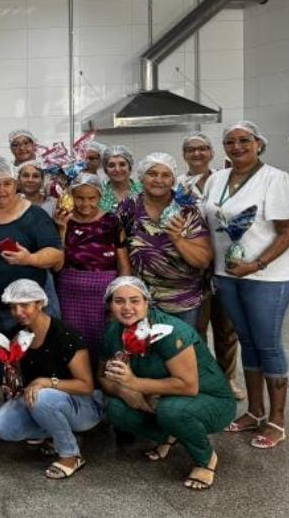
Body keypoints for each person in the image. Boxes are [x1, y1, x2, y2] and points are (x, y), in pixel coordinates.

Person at [201, 121, 289, 449]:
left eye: (244, 140)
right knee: (246, 340)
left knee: (268, 343)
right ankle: (255, 411)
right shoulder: (217, 179)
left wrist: (257, 264)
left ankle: (277, 420)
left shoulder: (276, 179)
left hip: (267, 276)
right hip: (227, 273)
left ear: (259, 143)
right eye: (229, 142)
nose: (237, 147)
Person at [99, 276, 235, 490]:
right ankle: (173, 434)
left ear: (146, 302)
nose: (127, 308)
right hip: (158, 397)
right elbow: (102, 376)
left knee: (171, 411)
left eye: (134, 300)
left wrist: (134, 383)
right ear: (110, 304)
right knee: (115, 409)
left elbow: (188, 386)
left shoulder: (171, 332)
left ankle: (205, 459)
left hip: (209, 399)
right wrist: (125, 392)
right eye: (119, 301)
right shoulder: (113, 332)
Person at [0, 279, 101, 479]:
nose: (18, 312)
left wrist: (47, 381)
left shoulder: (66, 335)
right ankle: (60, 434)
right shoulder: (19, 336)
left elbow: (86, 386)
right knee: (1, 425)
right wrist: (11, 376)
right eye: (13, 307)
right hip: (44, 402)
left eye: (25, 305)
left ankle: (71, 454)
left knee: (43, 397)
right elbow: (24, 384)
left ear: (40, 303)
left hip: (84, 406)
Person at [176, 132, 243, 400]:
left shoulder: (225, 181)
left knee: (227, 327)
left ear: (212, 152)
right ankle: (204, 377)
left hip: (225, 263)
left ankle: (228, 379)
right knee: (197, 328)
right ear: (184, 154)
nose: (197, 154)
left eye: (203, 149)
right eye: (191, 149)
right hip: (192, 267)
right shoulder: (177, 185)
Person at [0, 158, 63, 333]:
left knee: (32, 353)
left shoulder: (35, 216)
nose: (1, 190)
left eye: (7, 183)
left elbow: (56, 254)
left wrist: (29, 258)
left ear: (16, 183)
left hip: (27, 306)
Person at [118, 153, 213, 328]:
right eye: (152, 174)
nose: (158, 180)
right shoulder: (128, 208)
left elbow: (203, 260)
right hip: (140, 301)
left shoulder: (187, 211)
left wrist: (177, 238)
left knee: (182, 352)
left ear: (173, 180)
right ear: (141, 177)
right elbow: (120, 248)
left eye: (165, 175)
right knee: (143, 352)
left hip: (182, 302)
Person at [53, 173, 129, 358]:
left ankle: (102, 381)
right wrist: (61, 229)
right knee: (73, 340)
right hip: (70, 293)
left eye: (91, 198)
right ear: (71, 197)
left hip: (103, 292)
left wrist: (120, 295)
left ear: (100, 197)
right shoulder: (62, 221)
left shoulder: (112, 221)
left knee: (104, 339)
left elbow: (123, 263)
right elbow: (56, 265)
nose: (85, 203)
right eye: (79, 198)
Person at [99, 146, 142, 213]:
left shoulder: (143, 191)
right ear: (105, 170)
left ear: (130, 168)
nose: (117, 169)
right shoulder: (98, 193)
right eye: (111, 165)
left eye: (122, 164)